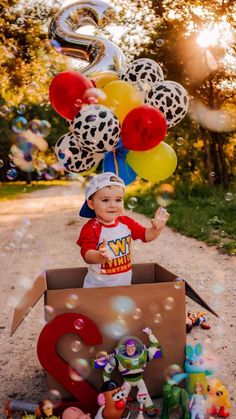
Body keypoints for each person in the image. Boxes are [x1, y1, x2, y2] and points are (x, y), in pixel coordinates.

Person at [77, 172, 169, 288]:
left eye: (118, 200)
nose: (113, 205)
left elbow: (146, 235)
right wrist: (99, 256)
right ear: (91, 204)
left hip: (124, 286)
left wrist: (157, 228)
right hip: (98, 288)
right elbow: (87, 254)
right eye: (105, 200)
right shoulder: (91, 228)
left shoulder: (126, 222)